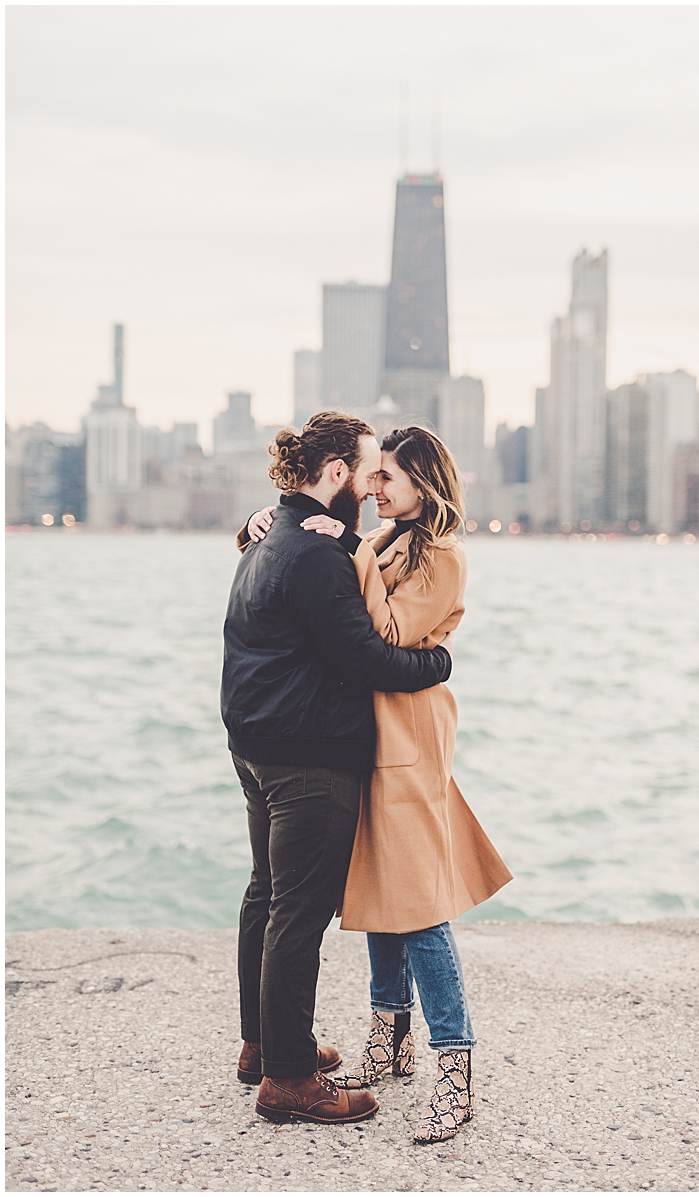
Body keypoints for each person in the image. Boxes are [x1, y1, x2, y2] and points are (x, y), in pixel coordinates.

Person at [246, 424, 511, 1143]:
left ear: (425, 484)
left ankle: (454, 1069)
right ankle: (386, 1038)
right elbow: (309, 578)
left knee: (419, 902)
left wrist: (351, 549)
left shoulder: (442, 556)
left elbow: (390, 631)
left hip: (409, 733)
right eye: (374, 474)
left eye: (389, 477)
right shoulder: (390, 541)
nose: (375, 486)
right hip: (373, 731)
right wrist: (266, 524)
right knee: (381, 889)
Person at [222, 411, 455, 1126]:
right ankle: (289, 1079)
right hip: (308, 755)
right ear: (335, 476)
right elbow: (368, 658)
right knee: (296, 913)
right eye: (366, 470)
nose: (372, 483)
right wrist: (438, 662)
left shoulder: (274, 535)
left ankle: (265, 1046)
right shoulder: (316, 550)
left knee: (267, 894)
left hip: (256, 744)